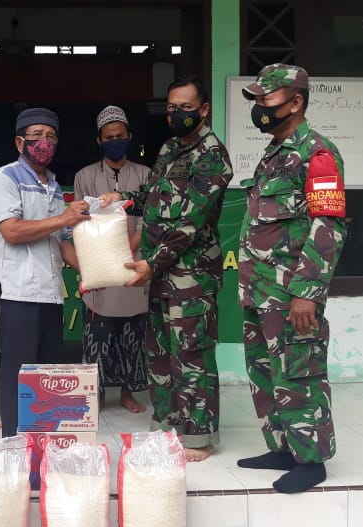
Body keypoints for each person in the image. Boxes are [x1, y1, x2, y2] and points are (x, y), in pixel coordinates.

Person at [101, 76, 233, 462]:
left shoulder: (212, 154)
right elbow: (153, 194)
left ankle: (199, 437)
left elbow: (190, 221)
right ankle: (166, 423)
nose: (176, 115)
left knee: (192, 355)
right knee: (159, 351)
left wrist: (152, 262)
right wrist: (123, 197)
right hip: (160, 274)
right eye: (172, 108)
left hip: (191, 275)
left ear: (204, 109)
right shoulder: (170, 147)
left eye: (185, 108)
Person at [235, 64, 346, 493]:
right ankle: (282, 448)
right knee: (265, 371)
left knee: (299, 372)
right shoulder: (275, 153)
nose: (260, 107)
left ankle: (311, 461)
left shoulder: (317, 153)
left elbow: (328, 226)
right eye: (257, 100)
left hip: (290, 292)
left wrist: (307, 293)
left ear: (295, 101)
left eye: (266, 99)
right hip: (259, 288)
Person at [0, 107, 89, 437]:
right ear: (20, 142)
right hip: (17, 293)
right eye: (36, 136)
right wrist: (64, 218)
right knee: (19, 375)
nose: (44, 142)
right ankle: (15, 444)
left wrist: (93, 273)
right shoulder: (5, 178)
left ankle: (43, 444)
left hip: (50, 294)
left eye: (50, 136)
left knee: (46, 377)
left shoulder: (54, 187)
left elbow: (62, 242)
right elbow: (11, 231)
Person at [71, 105, 151, 414]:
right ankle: (98, 393)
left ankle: (128, 393)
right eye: (108, 137)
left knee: (132, 334)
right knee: (98, 334)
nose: (114, 141)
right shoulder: (85, 176)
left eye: (120, 136)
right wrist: (105, 259)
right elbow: (82, 223)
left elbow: (148, 223)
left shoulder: (145, 175)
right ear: (99, 140)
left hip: (134, 264)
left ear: (129, 137)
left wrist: (124, 256)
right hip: (98, 266)